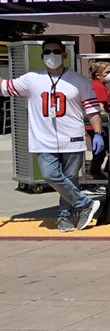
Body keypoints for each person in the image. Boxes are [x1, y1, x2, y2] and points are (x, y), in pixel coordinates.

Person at [1, 38, 103, 231]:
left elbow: (92, 110)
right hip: (43, 139)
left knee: (70, 180)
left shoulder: (79, 81)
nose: (51, 55)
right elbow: (4, 87)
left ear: (64, 54)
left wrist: (98, 133)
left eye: (56, 51)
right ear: (42, 56)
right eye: (47, 52)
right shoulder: (31, 79)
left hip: (72, 138)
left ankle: (65, 217)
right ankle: (86, 204)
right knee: (50, 175)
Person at [87, 60, 110, 179]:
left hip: (101, 123)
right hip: (99, 124)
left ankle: (103, 173)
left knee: (105, 149)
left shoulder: (101, 85)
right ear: (98, 75)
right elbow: (100, 107)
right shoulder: (98, 86)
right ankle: (96, 175)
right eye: (107, 72)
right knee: (102, 150)